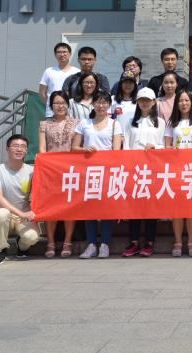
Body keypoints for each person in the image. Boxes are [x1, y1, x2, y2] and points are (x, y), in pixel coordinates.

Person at [72, 90, 123, 259]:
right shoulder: (84, 123)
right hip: (88, 171)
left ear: (109, 105)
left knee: (106, 208)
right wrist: (84, 149)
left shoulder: (115, 124)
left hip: (107, 171)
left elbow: (116, 150)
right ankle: (91, 244)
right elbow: (74, 147)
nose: (101, 105)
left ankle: (105, 244)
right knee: (90, 208)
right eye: (98, 102)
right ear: (93, 104)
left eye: (104, 102)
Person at [121, 87, 166, 258]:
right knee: (134, 207)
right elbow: (126, 146)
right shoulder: (129, 122)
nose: (145, 103)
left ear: (154, 102)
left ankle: (149, 242)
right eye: (141, 100)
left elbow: (164, 145)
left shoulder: (160, 122)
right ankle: (133, 242)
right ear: (137, 102)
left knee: (150, 207)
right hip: (134, 169)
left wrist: (155, 147)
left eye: (148, 100)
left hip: (153, 170)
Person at [0, 134, 39, 264]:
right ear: (7, 149)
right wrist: (21, 213)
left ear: (26, 150)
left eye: (23, 147)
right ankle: (0, 249)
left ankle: (21, 247)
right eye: (15, 146)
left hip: (24, 216)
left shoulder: (32, 171)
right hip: (6, 214)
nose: (19, 149)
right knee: (1, 214)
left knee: (32, 237)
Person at [38, 91, 79, 259]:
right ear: (51, 106)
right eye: (56, 103)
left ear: (68, 105)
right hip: (51, 172)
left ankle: (68, 241)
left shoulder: (77, 123)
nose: (60, 106)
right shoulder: (44, 124)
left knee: (69, 207)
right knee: (52, 207)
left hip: (71, 171)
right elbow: (42, 149)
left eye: (63, 103)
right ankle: (50, 241)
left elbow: (77, 147)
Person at [165, 89, 192, 257]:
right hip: (177, 170)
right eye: (181, 101)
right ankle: (178, 242)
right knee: (177, 209)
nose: (184, 103)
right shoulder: (171, 123)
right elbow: (167, 146)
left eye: (187, 100)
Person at [39, 42, 80, 117]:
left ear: (70, 54)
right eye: (59, 52)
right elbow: (42, 93)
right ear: (55, 55)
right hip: (52, 113)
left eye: (64, 52)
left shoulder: (77, 72)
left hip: (72, 113)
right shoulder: (48, 71)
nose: (62, 54)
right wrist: (51, 104)